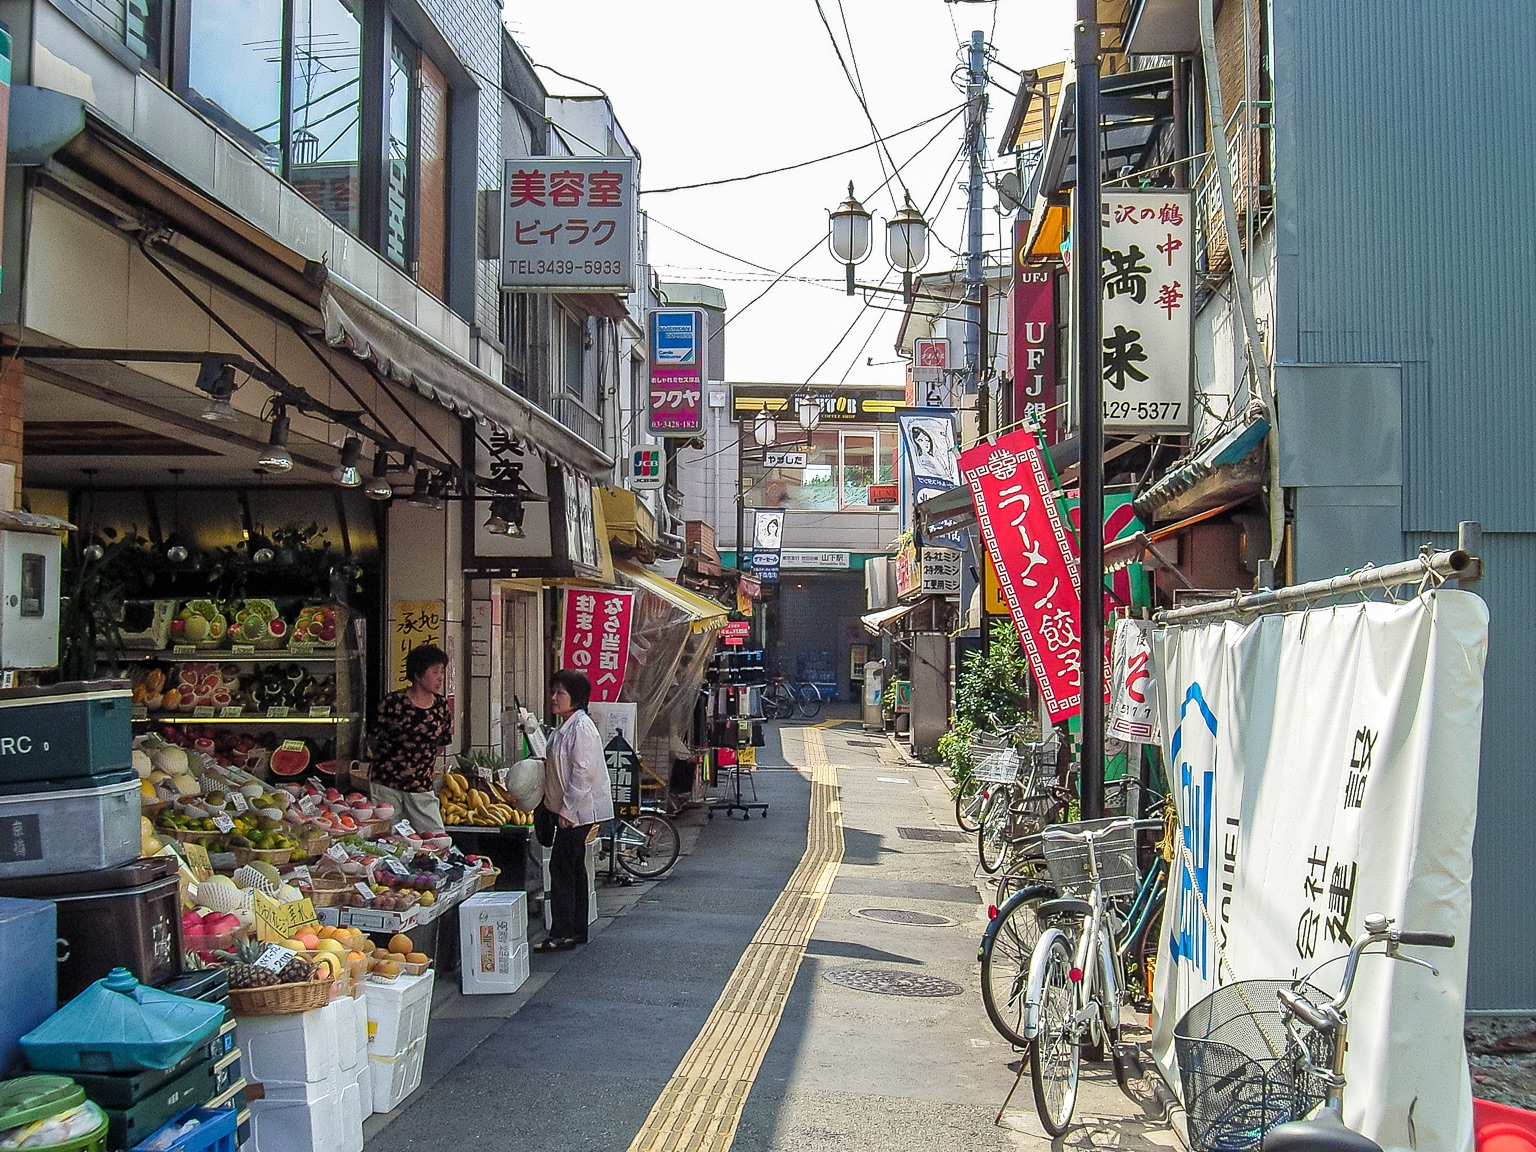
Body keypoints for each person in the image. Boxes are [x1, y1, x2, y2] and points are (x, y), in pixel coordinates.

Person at [535, 668, 614, 952]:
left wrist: (567, 811)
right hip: (572, 811)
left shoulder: (580, 728)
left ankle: (562, 933)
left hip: (577, 813)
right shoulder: (566, 726)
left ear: (576, 698)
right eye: (553, 691)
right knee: (574, 868)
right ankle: (576, 930)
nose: (554, 698)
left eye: (561, 693)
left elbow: (583, 773)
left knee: (562, 868)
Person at [370, 644, 452, 833]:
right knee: (388, 838)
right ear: (417, 674)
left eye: (442, 672)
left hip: (421, 786)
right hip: (387, 784)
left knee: (436, 837)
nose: (440, 678)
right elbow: (374, 740)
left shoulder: (441, 706)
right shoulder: (393, 702)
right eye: (435, 672)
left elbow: (441, 743)